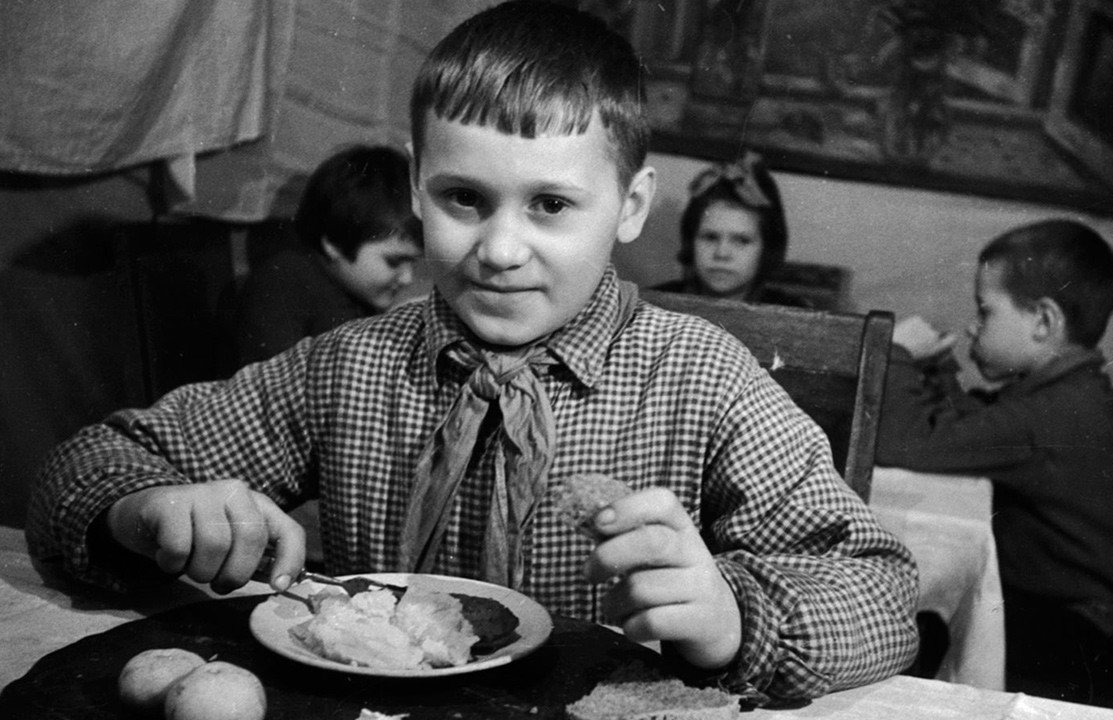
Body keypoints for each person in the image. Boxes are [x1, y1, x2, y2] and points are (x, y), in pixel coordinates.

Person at [28, 0, 918, 703]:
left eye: (551, 206)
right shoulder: (348, 366)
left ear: (632, 207)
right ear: (418, 185)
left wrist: (734, 615)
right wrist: (145, 510)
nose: (499, 249)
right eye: (463, 198)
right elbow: (84, 467)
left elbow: (880, 595)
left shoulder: (703, 379)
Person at [875, 219, 1113, 706]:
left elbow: (909, 445)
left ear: (1044, 321)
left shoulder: (1054, 413)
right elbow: (971, 430)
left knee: (903, 625)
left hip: (1072, 633)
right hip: (1068, 608)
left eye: (985, 311)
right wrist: (939, 371)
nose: (973, 326)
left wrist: (895, 353)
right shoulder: (1067, 392)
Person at [233, 144, 424, 365]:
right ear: (335, 243)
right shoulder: (285, 282)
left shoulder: (356, 294)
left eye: (413, 262)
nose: (408, 278)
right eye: (394, 261)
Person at [652, 150, 810, 307]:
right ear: (691, 240)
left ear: (767, 248)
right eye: (710, 237)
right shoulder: (654, 303)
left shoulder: (794, 312)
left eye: (741, 240)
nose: (721, 253)